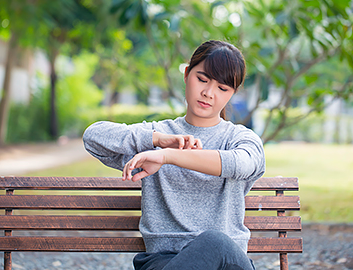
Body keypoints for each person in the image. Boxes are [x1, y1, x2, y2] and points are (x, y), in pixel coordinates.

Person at [83, 40, 265, 270]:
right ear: (187, 74)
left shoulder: (240, 139)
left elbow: (240, 164)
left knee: (216, 242)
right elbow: (93, 137)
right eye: (202, 79)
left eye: (222, 88)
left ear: (233, 93)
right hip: (164, 261)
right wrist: (157, 140)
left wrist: (168, 156)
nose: (209, 93)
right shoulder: (158, 137)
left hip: (227, 263)